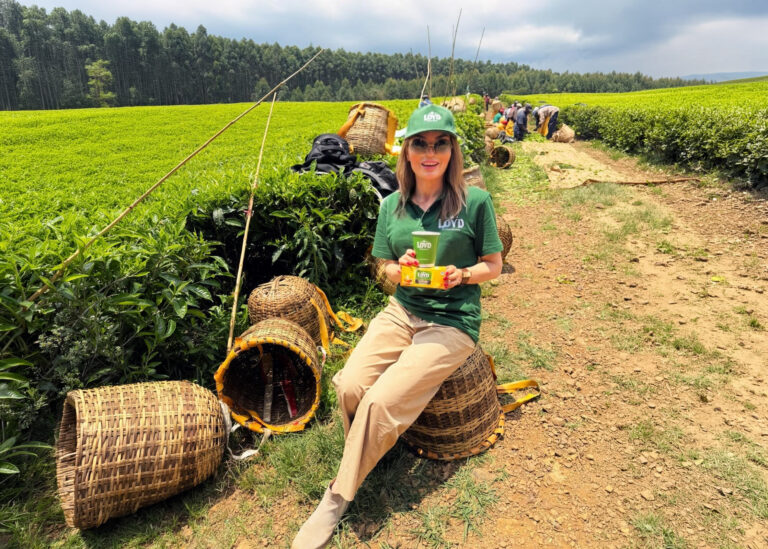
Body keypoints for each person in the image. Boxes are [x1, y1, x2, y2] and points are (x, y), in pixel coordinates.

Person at [291, 104, 503, 549]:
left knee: (378, 403)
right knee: (348, 385)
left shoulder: (474, 201)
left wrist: (461, 275)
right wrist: (398, 271)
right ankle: (366, 455)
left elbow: (494, 266)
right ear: (406, 151)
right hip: (402, 311)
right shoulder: (392, 205)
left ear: (452, 149)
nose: (430, 152)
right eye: (420, 143)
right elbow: (382, 267)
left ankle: (336, 498)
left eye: (440, 143)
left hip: (450, 321)